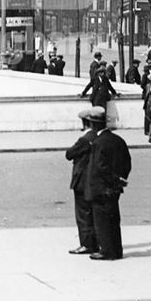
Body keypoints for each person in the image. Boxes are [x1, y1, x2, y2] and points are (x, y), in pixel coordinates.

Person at [83, 106, 132, 260]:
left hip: (101, 188)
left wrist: (114, 179)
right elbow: (127, 162)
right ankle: (117, 250)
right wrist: (121, 179)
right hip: (115, 188)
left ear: (94, 124)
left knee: (102, 222)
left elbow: (100, 167)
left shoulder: (98, 142)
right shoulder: (118, 140)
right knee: (114, 220)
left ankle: (106, 251)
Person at [65, 109, 99, 255]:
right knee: (92, 213)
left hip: (82, 181)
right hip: (93, 180)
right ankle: (95, 242)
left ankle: (86, 244)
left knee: (83, 214)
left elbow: (69, 154)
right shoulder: (97, 137)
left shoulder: (84, 139)